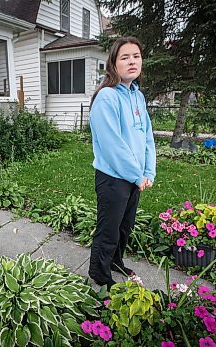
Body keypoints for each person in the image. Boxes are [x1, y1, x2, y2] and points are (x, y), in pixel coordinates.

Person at [88, 37, 156, 290]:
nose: (132, 62)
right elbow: (112, 145)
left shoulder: (138, 97)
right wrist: (137, 176)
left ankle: (115, 263)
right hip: (113, 178)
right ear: (113, 64)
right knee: (109, 229)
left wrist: (148, 171)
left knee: (124, 227)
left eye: (136, 56)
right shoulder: (107, 97)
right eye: (125, 57)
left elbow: (147, 136)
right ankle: (99, 273)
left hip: (134, 177)